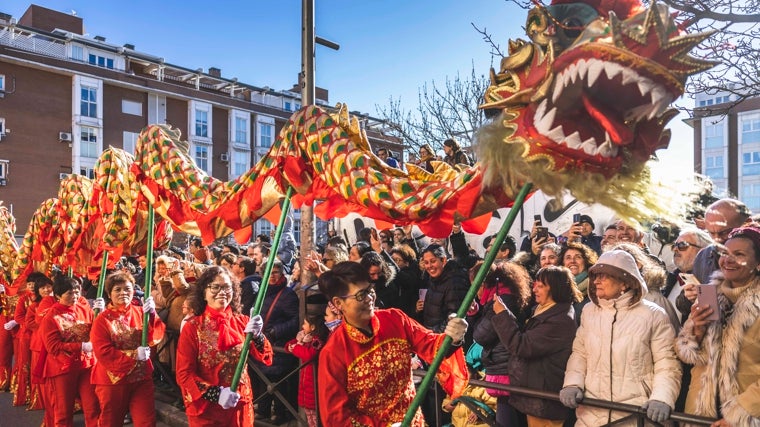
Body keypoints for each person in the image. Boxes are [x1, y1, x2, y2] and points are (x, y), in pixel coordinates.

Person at [317, 261, 469, 426]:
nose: (369, 298)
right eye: (361, 295)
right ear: (339, 303)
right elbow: (336, 417)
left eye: (370, 290)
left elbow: (431, 345)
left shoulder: (395, 319)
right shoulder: (333, 353)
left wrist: (452, 338)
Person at [560, 250, 681, 426]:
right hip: (591, 415)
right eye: (595, 276)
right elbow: (580, 353)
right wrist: (572, 384)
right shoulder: (589, 311)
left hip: (635, 416)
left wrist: (662, 398)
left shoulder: (653, 314)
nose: (596, 281)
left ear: (624, 282)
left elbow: (667, 362)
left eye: (604, 276)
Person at [675, 224, 760, 425]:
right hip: (699, 412)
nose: (728, 260)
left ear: (758, 263)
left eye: (739, 254)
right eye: (724, 253)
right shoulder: (709, 293)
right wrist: (697, 329)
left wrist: (738, 414)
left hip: (746, 416)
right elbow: (687, 354)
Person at [176, 266, 273, 427]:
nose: (222, 292)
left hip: (239, 405)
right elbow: (184, 374)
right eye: (215, 287)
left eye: (227, 287)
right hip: (207, 410)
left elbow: (266, 357)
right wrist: (216, 394)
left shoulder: (242, 321)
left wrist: (258, 335)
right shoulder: (192, 327)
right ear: (204, 293)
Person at [492, 266, 581, 426]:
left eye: (541, 286)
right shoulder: (545, 310)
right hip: (534, 395)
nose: (535, 289)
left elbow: (521, 346)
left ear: (555, 288)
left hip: (544, 399)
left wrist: (502, 314)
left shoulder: (559, 319)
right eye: (535, 285)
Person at [90, 271, 165, 427]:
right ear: (109, 294)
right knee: (111, 422)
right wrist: (134, 355)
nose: (123, 293)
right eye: (118, 289)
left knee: (147, 421)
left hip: (141, 377)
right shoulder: (102, 320)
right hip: (113, 380)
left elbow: (156, 335)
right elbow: (103, 352)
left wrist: (152, 314)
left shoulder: (141, 313)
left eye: (127, 289)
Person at [471, 262, 532, 427]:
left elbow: (481, 335)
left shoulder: (501, 299)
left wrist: (474, 317)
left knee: (507, 420)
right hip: (507, 368)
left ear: (483, 283)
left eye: (475, 286)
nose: (475, 292)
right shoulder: (508, 295)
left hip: (505, 370)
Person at [40, 275, 100, 427]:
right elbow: (53, 347)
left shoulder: (84, 309)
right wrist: (80, 346)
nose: (74, 296)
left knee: (93, 407)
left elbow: (98, 328)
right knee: (64, 411)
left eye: (76, 292)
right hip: (62, 368)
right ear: (58, 295)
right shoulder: (51, 316)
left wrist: (102, 311)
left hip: (86, 365)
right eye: (69, 293)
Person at [253, 260, 300, 424]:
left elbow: (296, 320)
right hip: (263, 342)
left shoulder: (287, 295)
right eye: (269, 273)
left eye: (275, 273)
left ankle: (279, 413)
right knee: (263, 378)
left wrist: (276, 331)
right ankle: (263, 409)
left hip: (278, 344)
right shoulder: (262, 291)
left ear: (281, 274)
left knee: (276, 380)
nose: (272, 276)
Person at [285, 313, 329, 427]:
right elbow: (293, 344)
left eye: (305, 323)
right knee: (309, 417)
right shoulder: (305, 338)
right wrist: (291, 346)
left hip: (313, 385)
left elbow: (309, 354)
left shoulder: (317, 341)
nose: (302, 326)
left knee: (315, 418)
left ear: (313, 327)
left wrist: (296, 348)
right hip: (306, 385)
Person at [559, 241, 598, 325]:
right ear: (563, 263)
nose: (572, 261)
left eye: (578, 257)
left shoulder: (594, 288)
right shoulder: (557, 288)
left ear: (586, 261)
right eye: (568, 258)